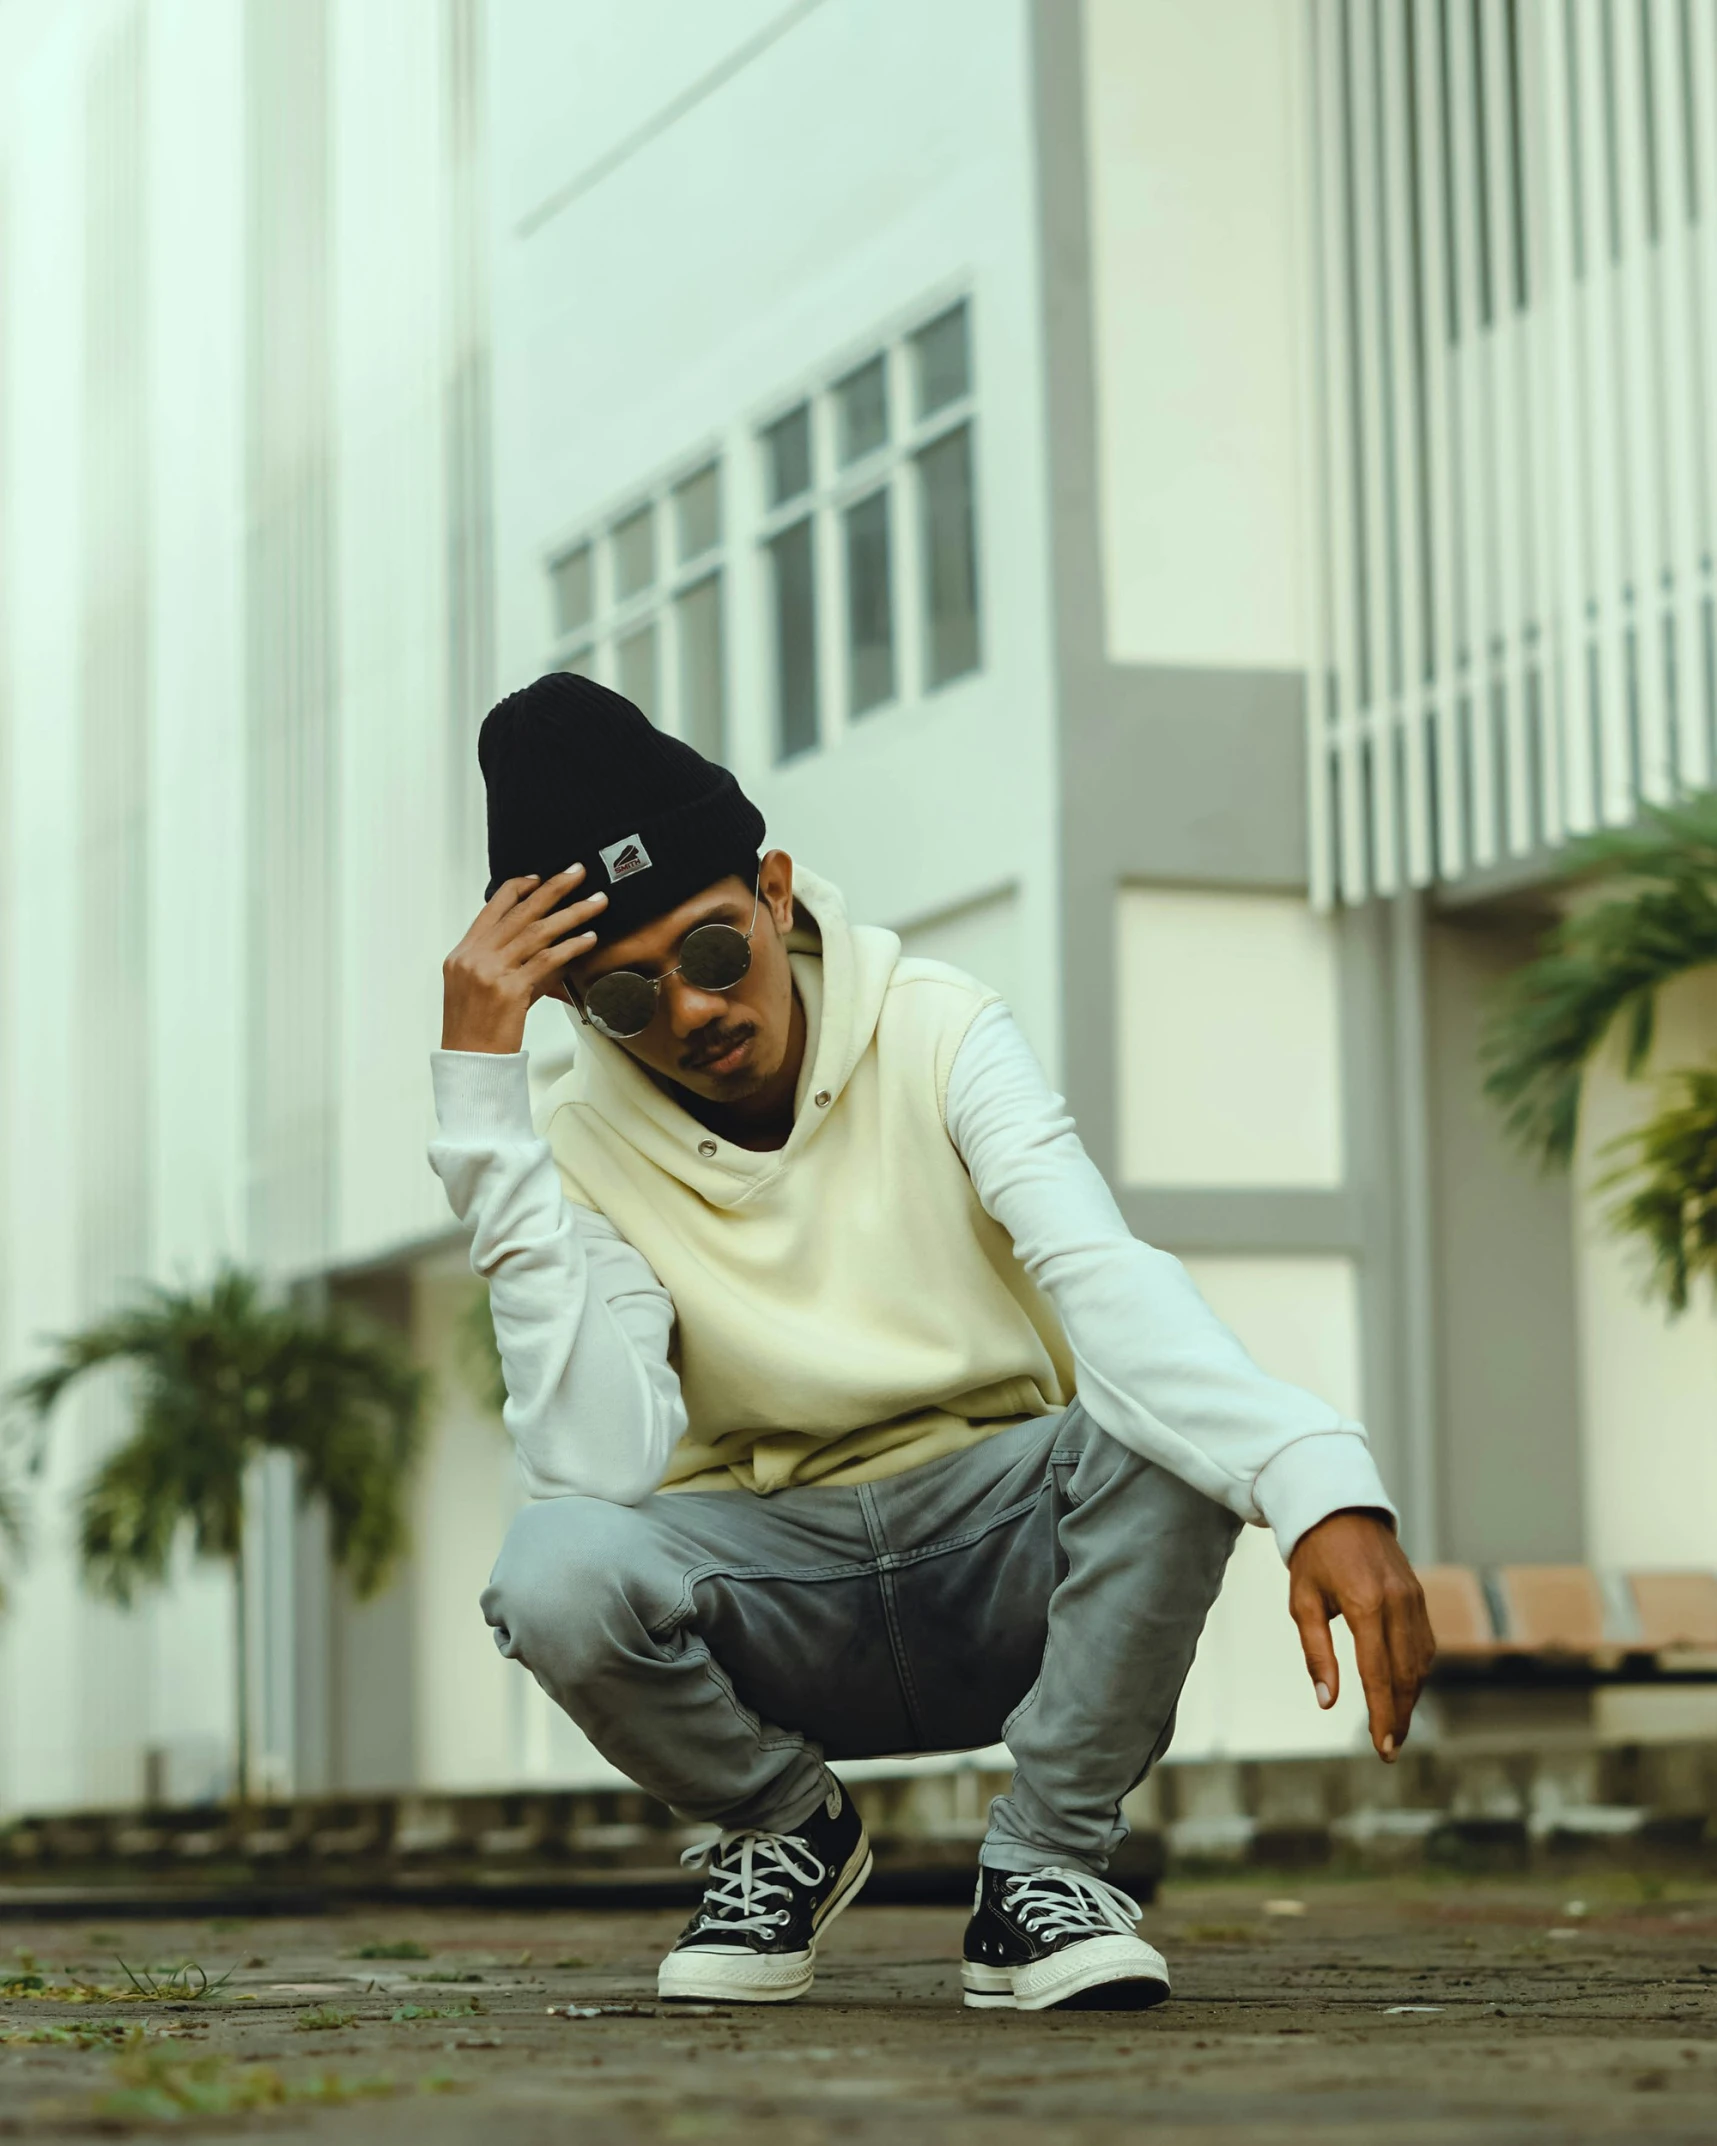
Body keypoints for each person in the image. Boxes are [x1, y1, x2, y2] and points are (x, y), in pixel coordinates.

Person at [429, 674, 1433, 2013]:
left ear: (775, 890)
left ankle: (1044, 1869)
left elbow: (1106, 1282)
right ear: (570, 1010)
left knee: (1158, 1438)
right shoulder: (575, 1139)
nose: (692, 1012)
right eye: (623, 995)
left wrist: (1321, 1479)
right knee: (550, 1565)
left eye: (715, 951)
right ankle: (786, 1826)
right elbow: (597, 1460)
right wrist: (485, 1117)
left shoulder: (941, 1026)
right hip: (778, 1586)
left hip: (1006, 1544)